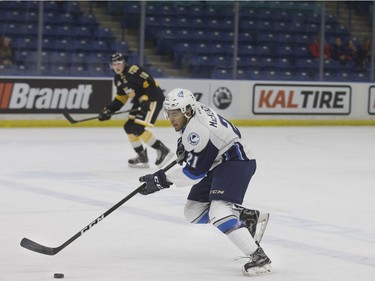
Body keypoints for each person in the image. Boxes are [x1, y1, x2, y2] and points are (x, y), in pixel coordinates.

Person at [138, 88, 272, 276]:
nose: (170, 118)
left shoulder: (198, 131)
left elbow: (194, 174)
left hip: (237, 161)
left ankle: (259, 258)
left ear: (187, 111)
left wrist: (161, 180)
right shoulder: (194, 110)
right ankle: (247, 217)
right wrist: (183, 145)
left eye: (174, 114)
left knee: (219, 211)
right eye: (168, 113)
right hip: (218, 161)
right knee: (193, 212)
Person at [98, 53, 173, 168]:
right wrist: (109, 110)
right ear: (111, 66)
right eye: (114, 64)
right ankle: (142, 156)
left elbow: (150, 82)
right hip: (140, 101)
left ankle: (163, 150)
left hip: (152, 99)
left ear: (124, 63)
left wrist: (146, 99)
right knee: (128, 127)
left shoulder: (133, 70)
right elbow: (121, 98)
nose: (117, 66)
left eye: (119, 63)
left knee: (137, 128)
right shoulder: (118, 79)